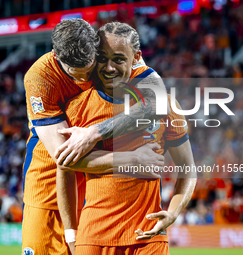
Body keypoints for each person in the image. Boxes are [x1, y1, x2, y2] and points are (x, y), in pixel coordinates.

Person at [22, 19, 168, 255]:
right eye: (74, 74)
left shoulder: (108, 59)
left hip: (96, 192)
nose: (83, 80)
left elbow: (159, 103)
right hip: (48, 184)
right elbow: (65, 157)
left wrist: (94, 132)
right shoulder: (40, 77)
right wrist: (132, 159)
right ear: (56, 56)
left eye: (88, 71)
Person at [57, 22, 197, 255]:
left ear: (136, 58)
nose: (109, 67)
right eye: (102, 58)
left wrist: (172, 213)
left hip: (148, 237)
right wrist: (70, 232)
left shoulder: (167, 105)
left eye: (119, 59)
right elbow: (65, 168)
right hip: (93, 238)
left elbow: (188, 169)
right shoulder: (78, 108)